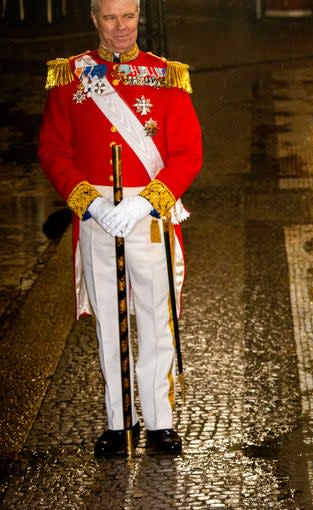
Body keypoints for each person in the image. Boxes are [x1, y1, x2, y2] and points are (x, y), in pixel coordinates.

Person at [39, 0, 203, 457]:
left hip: (147, 218)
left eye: (127, 16)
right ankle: (118, 422)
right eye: (109, 18)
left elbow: (189, 154)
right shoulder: (70, 76)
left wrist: (147, 203)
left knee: (156, 319)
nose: (120, 27)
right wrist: (87, 201)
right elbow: (53, 150)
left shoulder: (167, 76)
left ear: (139, 17)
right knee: (109, 323)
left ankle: (160, 421)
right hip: (96, 217)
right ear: (94, 20)